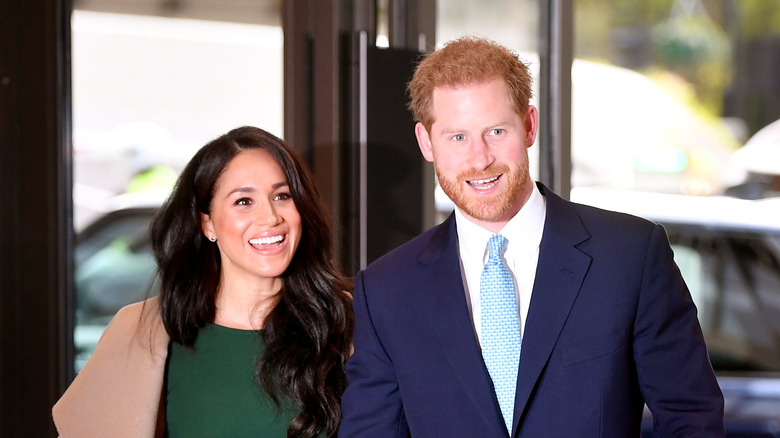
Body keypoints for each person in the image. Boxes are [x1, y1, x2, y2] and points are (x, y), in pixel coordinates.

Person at [338, 36, 725, 437]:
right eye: (457, 137)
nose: (479, 158)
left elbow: (691, 417)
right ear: (426, 143)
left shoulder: (629, 257)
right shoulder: (386, 290)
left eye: (496, 131)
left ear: (528, 126)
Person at [53, 126, 354, 437]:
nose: (270, 217)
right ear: (206, 223)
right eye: (243, 201)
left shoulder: (350, 322)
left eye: (282, 196)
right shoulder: (146, 331)